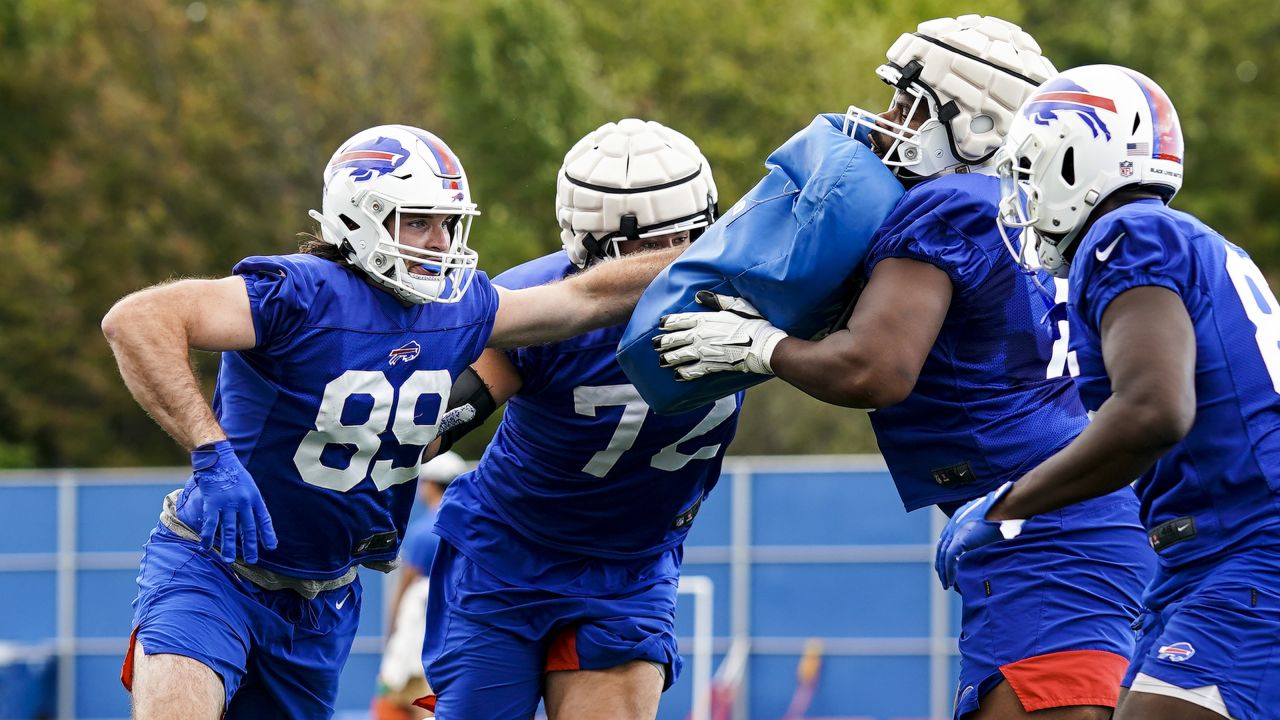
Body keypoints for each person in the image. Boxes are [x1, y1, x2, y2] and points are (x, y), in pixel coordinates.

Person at [653, 17, 1155, 720]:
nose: (889, 119)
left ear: (981, 125)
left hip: (1045, 535)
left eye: (910, 105)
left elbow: (874, 370)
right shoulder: (1036, 218)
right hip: (1074, 520)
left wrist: (755, 344)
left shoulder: (948, 204)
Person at [101, 123, 686, 720]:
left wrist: (715, 253)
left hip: (323, 596)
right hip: (214, 568)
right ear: (361, 217)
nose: (439, 242)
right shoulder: (299, 294)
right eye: (419, 221)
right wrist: (211, 451)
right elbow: (139, 320)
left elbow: (583, 299)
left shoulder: (458, 308)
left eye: (448, 223)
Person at [937, 64, 1280, 720]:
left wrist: (1007, 507)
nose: (1025, 193)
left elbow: (1152, 412)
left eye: (1032, 168)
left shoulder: (1129, 236)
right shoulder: (1183, 240)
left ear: (1074, 157)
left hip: (1251, 547)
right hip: (1204, 555)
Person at [419, 118, 742, 720]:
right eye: (644, 250)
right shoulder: (536, 305)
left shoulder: (761, 287)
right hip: (506, 556)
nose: (666, 267)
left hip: (633, 563)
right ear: (588, 247)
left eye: (685, 240)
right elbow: (437, 419)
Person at [372, 450, 466, 720]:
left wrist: (392, 631)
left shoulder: (425, 530)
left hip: (421, 628)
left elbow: (406, 584)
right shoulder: (471, 526)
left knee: (405, 697)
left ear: (430, 485)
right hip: (459, 627)